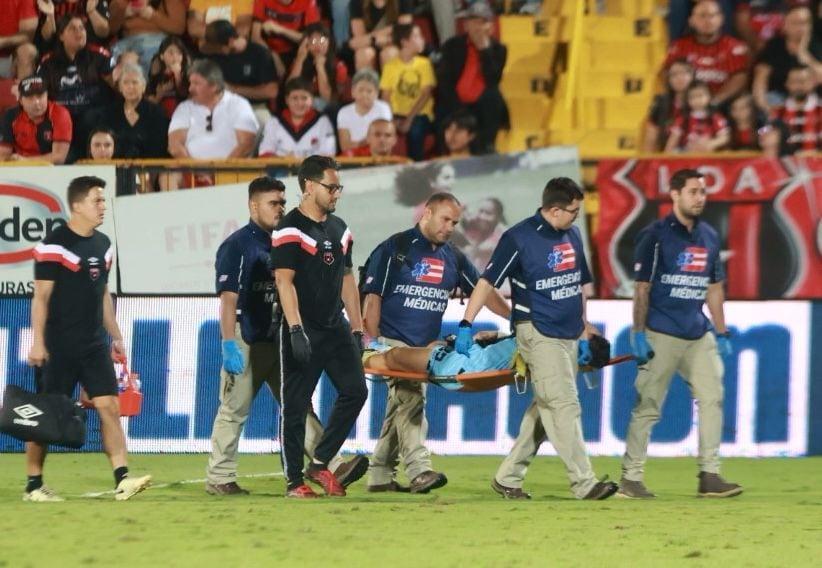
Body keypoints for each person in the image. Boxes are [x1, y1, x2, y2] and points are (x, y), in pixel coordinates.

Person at [455, 177, 618, 501]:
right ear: (554, 210)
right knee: (563, 404)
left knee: (546, 407)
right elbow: (487, 283)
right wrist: (465, 322)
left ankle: (508, 477)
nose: (576, 216)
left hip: (569, 332)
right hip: (538, 331)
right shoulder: (518, 238)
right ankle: (584, 483)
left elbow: (578, 284)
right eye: (572, 211)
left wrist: (585, 326)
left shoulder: (572, 234)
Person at [206, 176, 367, 496]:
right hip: (249, 339)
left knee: (299, 407)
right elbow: (228, 299)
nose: (280, 208)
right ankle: (220, 475)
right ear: (254, 206)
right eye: (272, 203)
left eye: (282, 202)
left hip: (282, 337)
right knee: (235, 408)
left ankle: (330, 465)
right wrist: (228, 342)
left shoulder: (289, 238)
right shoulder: (238, 245)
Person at [362, 192, 511, 493]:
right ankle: (419, 470)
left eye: (454, 222)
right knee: (411, 399)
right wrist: (371, 341)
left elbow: (483, 290)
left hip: (426, 348)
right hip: (391, 343)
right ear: (427, 213)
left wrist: (515, 316)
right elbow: (372, 297)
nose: (450, 227)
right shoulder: (396, 248)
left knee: (402, 406)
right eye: (445, 219)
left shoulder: (453, 257)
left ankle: (379, 475)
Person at [24, 175, 152, 502]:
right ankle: (34, 485)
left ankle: (122, 478)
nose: (102, 206)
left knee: (109, 406)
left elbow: (102, 294)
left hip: (94, 344)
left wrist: (116, 335)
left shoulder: (104, 245)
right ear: (77, 205)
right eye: (96, 200)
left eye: (102, 200)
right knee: (46, 416)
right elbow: (40, 298)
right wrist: (38, 342)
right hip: (59, 345)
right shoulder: (52, 246)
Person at [618, 168, 742, 500]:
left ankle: (710, 475)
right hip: (662, 331)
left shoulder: (710, 236)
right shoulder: (655, 235)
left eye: (703, 192)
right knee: (648, 405)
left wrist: (722, 330)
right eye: (693, 191)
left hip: (697, 332)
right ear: (674, 194)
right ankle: (630, 479)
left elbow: (714, 287)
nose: (700, 197)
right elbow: (642, 288)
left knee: (713, 397)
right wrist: (639, 332)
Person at [270, 155, 369, 499]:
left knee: (357, 391)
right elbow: (284, 282)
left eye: (339, 187)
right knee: (296, 406)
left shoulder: (341, 229)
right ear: (309, 186)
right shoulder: (288, 229)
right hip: (304, 328)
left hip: (334, 327)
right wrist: (295, 330)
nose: (336, 193)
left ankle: (320, 461)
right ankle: (294, 482)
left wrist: (357, 328)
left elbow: (347, 278)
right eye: (331, 187)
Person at [38, 14, 114, 162]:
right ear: (61, 36)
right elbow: (40, 91)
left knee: (90, 117)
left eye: (82, 28)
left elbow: (117, 84)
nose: (79, 32)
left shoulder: (98, 55)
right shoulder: (49, 61)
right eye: (72, 29)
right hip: (61, 121)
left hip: (94, 120)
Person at [436, 2, 509, 155]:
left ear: (491, 26)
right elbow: (445, 82)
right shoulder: (452, 46)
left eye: (482, 22)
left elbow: (493, 80)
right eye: (472, 22)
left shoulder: (499, 50)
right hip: (455, 102)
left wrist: (485, 51)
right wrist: (459, 108)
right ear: (465, 26)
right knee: (446, 107)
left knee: (493, 96)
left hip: (483, 104)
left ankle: (487, 147)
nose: (477, 27)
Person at [663, 0, 750, 107]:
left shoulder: (734, 46)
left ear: (721, 19)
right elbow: (668, 73)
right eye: (702, 16)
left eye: (712, 16)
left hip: (721, 105)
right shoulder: (679, 46)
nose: (708, 21)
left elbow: (740, 78)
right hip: (686, 105)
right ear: (691, 21)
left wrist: (715, 101)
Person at [199, 19, 279, 126]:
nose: (214, 50)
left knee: (265, 124)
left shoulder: (259, 53)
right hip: (222, 108)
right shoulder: (213, 54)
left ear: (231, 41)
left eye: (219, 48)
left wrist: (233, 89)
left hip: (255, 108)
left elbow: (271, 91)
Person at [87, 62, 169, 158]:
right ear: (120, 88)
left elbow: (160, 147)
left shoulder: (156, 112)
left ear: (143, 86)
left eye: (135, 82)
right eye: (125, 82)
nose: (130, 87)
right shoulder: (110, 113)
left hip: (149, 167)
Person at [380, 22, 434, 161]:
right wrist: (391, 121)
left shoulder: (424, 63)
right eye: (416, 36)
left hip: (420, 114)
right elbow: (385, 97)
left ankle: (415, 168)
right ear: (404, 42)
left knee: (415, 130)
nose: (422, 39)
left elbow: (426, 94)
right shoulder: (390, 66)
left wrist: (408, 121)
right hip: (397, 115)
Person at [752, 5, 822, 113]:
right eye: (795, 23)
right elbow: (760, 80)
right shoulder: (774, 46)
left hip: (812, 100)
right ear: (785, 25)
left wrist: (804, 55)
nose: (801, 27)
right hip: (779, 98)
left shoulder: (817, 46)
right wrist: (765, 109)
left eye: (805, 22)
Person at [363, 332, 518, 378]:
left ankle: (363, 354)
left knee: (395, 355)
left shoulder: (525, 336)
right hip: (471, 360)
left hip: (460, 365)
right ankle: (373, 349)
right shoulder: (533, 341)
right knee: (397, 356)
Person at [0, 73, 72, 163]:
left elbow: (59, 157)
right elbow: (3, 154)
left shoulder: (60, 114)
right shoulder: (10, 116)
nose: (37, 102)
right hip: (19, 168)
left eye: (40, 96)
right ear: (21, 100)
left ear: (47, 96)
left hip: (52, 168)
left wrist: (25, 161)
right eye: (30, 98)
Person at [258, 77, 336, 158]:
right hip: (281, 169)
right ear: (287, 100)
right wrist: (283, 161)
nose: (299, 103)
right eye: (295, 98)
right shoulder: (274, 122)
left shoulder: (323, 121)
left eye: (304, 98)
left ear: (312, 99)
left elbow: (329, 154)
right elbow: (265, 153)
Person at [108, 0, 186, 76]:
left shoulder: (169, 2)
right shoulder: (119, 2)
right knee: (113, 62)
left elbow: (179, 28)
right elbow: (110, 29)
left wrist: (153, 15)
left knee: (150, 60)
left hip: (155, 39)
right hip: (126, 42)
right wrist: (122, 13)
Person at [286, 22, 347, 113]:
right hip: (301, 103)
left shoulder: (338, 66)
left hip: (327, 109)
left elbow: (328, 98)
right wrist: (300, 58)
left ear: (329, 42)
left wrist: (320, 67)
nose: (318, 45)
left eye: (322, 40)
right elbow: (289, 89)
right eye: (314, 41)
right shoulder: (299, 61)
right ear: (306, 43)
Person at [250, 0, 321, 78]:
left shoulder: (308, 2)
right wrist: (273, 56)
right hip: (267, 50)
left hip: (296, 51)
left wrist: (280, 30)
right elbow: (255, 37)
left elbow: (313, 39)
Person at [643, 59, 695, 153]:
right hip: (668, 157)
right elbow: (650, 139)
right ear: (668, 80)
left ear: (693, 76)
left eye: (684, 73)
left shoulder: (704, 102)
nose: (680, 78)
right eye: (674, 74)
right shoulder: (660, 102)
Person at [664, 80, 730, 153]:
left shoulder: (716, 117)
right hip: (688, 153)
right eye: (692, 97)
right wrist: (667, 156)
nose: (697, 100)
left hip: (709, 152)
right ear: (687, 100)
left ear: (709, 96)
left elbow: (725, 137)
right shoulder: (682, 118)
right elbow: (673, 139)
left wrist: (711, 143)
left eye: (700, 96)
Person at [337, 67, 392, 153]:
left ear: (377, 93)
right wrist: (364, 143)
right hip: (353, 158)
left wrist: (359, 144)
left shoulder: (383, 108)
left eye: (369, 91)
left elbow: (384, 141)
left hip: (378, 156)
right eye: (361, 90)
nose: (364, 95)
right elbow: (345, 146)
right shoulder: (344, 112)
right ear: (353, 91)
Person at [345, 0, 413, 71]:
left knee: (390, 53)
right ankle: (366, 81)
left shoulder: (404, 1)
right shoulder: (357, 2)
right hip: (368, 45)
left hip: (393, 44)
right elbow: (358, 41)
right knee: (364, 54)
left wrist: (386, 40)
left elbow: (403, 35)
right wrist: (386, 31)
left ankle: (390, 81)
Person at [770, 64, 821, 154]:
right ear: (786, 84)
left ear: (813, 82)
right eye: (793, 82)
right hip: (785, 165)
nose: (798, 86)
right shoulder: (777, 112)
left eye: (802, 81)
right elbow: (770, 146)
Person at [34, 0, 111, 53]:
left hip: (89, 50)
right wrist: (50, 16)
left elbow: (103, 32)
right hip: (55, 50)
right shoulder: (49, 1)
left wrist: (92, 11)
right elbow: (46, 36)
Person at [145, 34, 190, 119]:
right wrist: (160, 94)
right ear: (162, 56)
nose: (175, 57)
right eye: (171, 53)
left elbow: (187, 95)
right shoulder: (156, 77)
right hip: (161, 118)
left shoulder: (188, 75)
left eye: (179, 53)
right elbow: (149, 103)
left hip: (183, 117)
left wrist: (177, 75)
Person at [0, 0, 37, 79]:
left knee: (27, 50)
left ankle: (24, 89)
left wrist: (3, 41)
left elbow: (28, 36)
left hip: (10, 58)